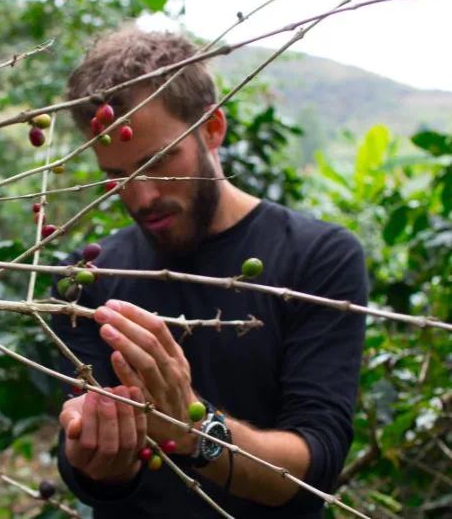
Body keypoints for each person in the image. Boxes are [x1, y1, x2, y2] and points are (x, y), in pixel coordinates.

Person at [48, 25, 369, 518]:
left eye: (158, 162)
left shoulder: (318, 257)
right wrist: (93, 452)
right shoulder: (88, 277)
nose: (141, 197)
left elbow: (315, 469)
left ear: (212, 128)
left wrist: (195, 432)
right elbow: (87, 477)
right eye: (117, 177)